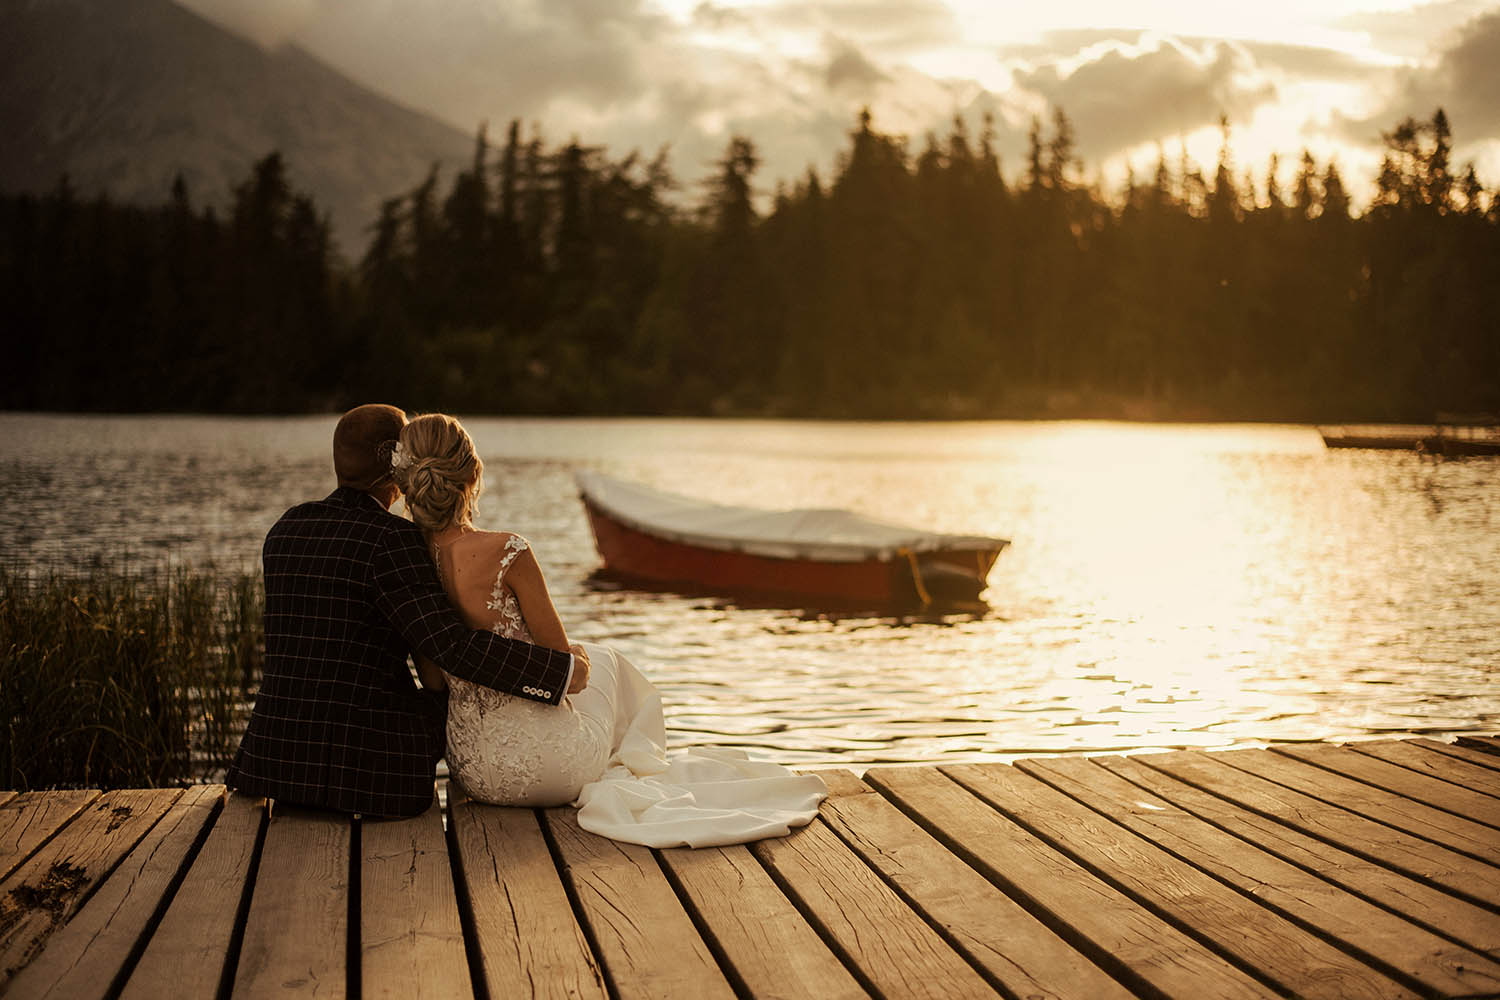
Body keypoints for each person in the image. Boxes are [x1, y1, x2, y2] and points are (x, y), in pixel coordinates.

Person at [391, 412, 827, 847]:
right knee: (604, 661)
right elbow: (569, 675)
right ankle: (640, 763)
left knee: (592, 663)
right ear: (473, 475)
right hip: (554, 770)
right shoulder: (509, 550)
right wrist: (577, 660)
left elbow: (432, 680)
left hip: (474, 771)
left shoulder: (406, 564)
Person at [228, 404, 589, 818]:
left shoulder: (285, 529)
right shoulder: (393, 540)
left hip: (277, 763)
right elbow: (451, 646)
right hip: (365, 775)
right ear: (393, 464)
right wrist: (558, 672)